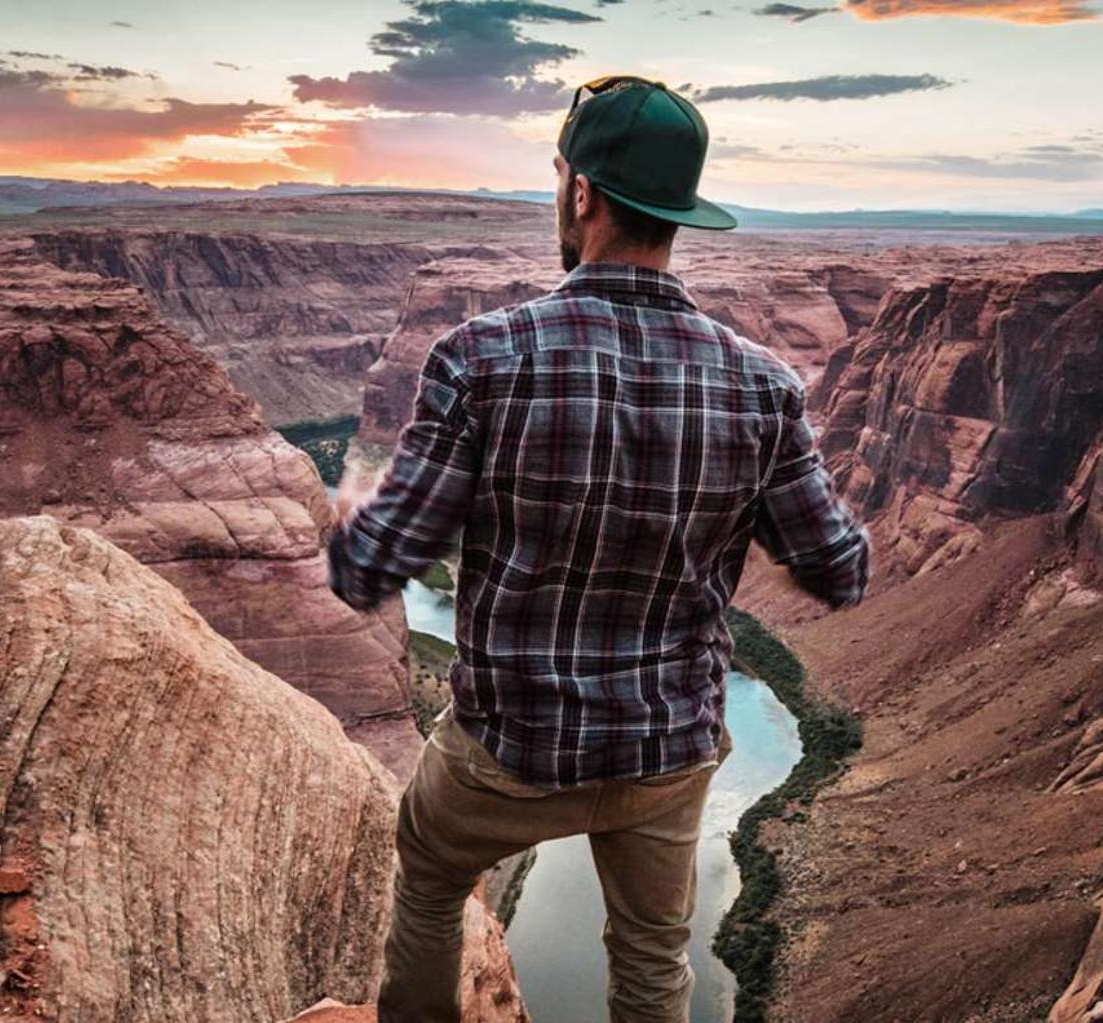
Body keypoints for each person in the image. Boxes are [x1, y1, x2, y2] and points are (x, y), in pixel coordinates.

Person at [325, 75, 870, 1023]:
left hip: (506, 748)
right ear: (679, 211)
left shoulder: (482, 358)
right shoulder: (763, 386)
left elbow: (372, 567)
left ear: (582, 192)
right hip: (667, 749)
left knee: (427, 882)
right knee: (654, 959)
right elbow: (838, 569)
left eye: (557, 177)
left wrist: (346, 504)